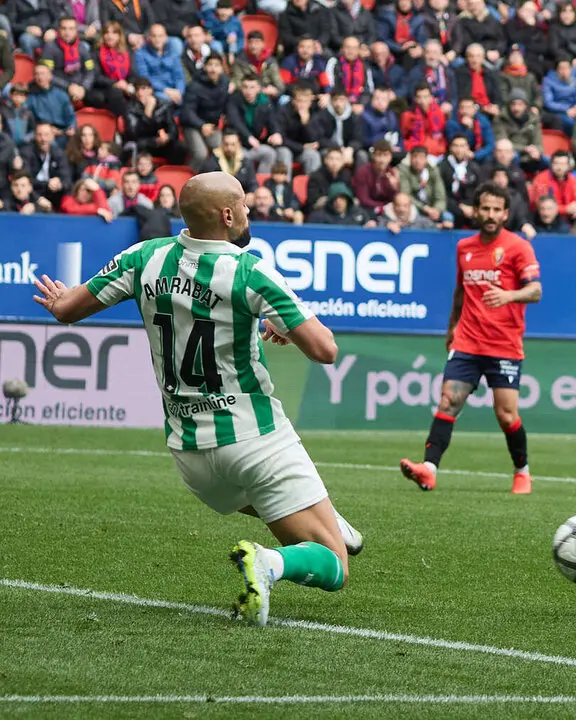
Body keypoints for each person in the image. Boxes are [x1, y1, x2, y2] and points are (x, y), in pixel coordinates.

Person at [31, 171, 365, 628]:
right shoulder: (249, 269)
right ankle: (269, 564)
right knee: (336, 565)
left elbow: (69, 309)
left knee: (282, 508)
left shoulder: (144, 257)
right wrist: (286, 325)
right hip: (254, 439)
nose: (249, 210)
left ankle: (327, 519)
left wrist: (59, 303)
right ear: (228, 215)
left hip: (191, 456)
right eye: (244, 203)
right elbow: (325, 350)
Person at [400, 182, 542, 494]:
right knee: (449, 399)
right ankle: (429, 469)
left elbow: (536, 290)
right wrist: (452, 326)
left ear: (505, 214)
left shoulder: (518, 247)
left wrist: (508, 295)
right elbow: (461, 291)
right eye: (485, 209)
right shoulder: (464, 247)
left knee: (506, 415)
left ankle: (522, 471)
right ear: (475, 211)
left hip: (504, 344)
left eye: (496, 210)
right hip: (467, 340)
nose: (490, 215)